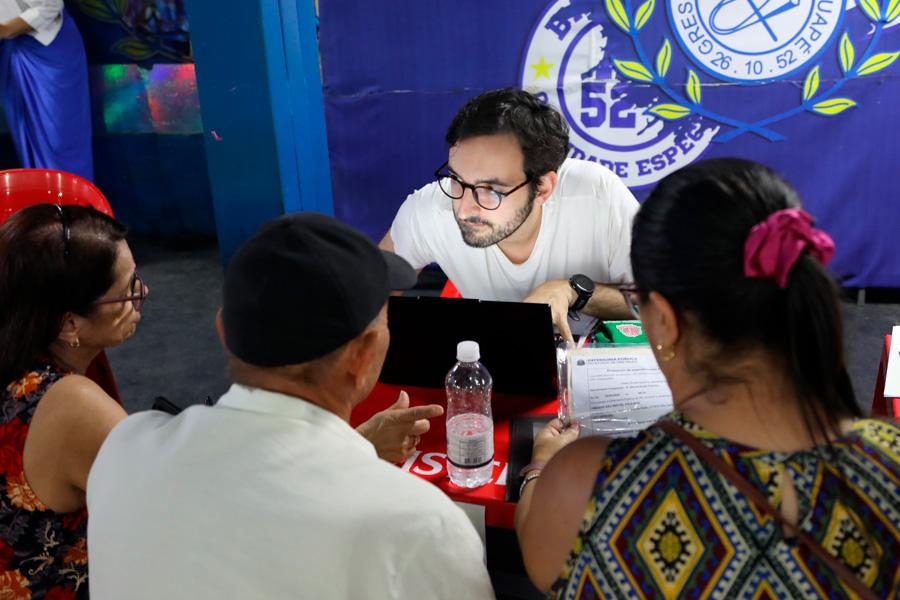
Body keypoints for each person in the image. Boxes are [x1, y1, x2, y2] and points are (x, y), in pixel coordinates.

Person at [515, 159, 899, 598]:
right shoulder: (887, 462)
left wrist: (541, 466)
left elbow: (540, 562)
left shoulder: (584, 479)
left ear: (664, 322)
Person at [87, 213, 495, 599]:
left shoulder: (123, 448)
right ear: (364, 355)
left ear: (224, 331)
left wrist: (359, 446)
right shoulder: (421, 525)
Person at [380, 88, 639, 341]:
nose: (465, 208)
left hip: (598, 365)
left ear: (543, 188)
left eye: (492, 190)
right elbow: (367, 293)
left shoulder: (597, 196)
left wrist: (575, 293)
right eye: (457, 180)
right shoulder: (433, 207)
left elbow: (662, 303)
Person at [0, 204, 138, 596]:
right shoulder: (71, 405)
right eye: (127, 290)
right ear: (70, 324)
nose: (141, 294)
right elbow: (162, 511)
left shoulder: (17, 362)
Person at [0, 0, 93, 180]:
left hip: (49, 50)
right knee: (27, 143)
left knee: (60, 143)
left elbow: (50, 7)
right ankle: (43, 205)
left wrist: (5, 30)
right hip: (10, 53)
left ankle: (73, 206)